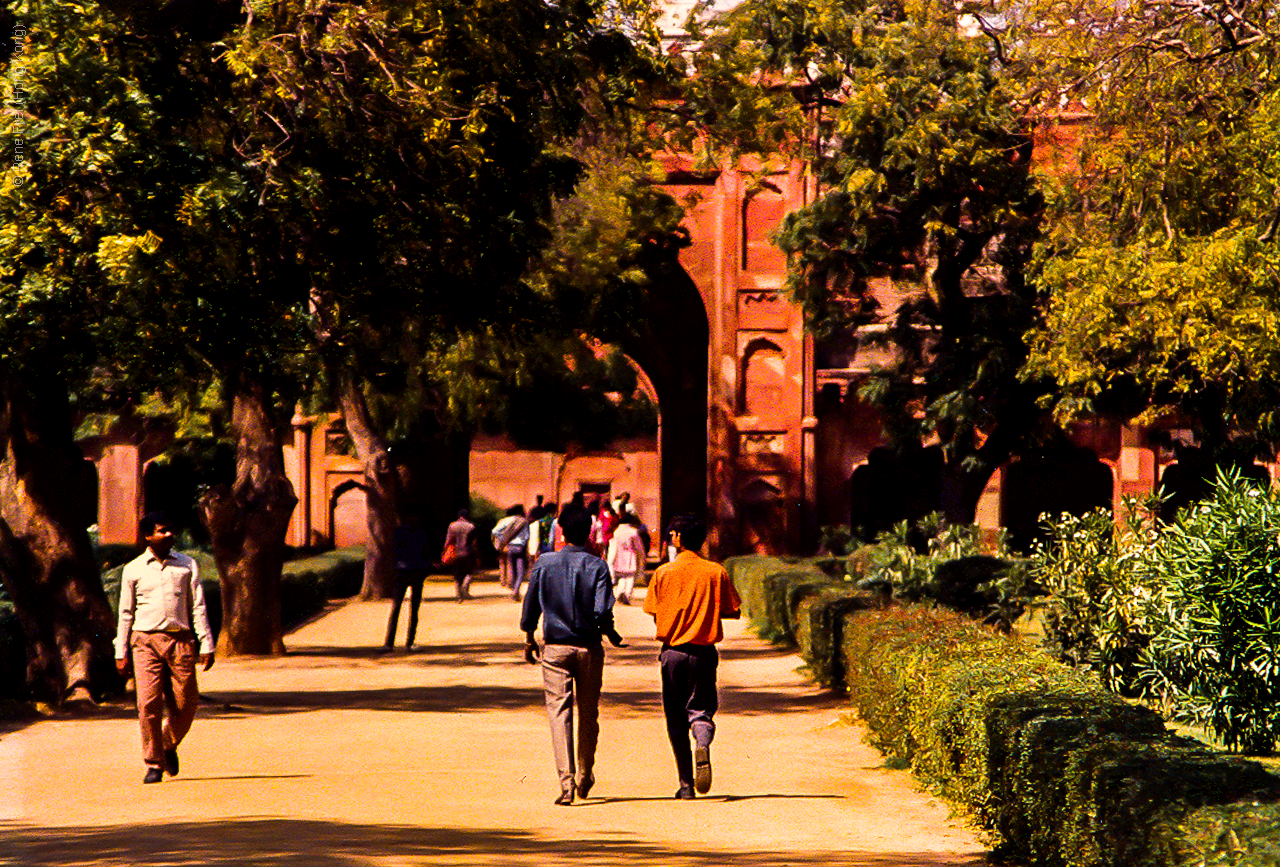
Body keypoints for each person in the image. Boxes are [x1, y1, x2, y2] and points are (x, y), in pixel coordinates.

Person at [520, 505, 626, 806]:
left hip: (555, 647)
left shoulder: (544, 563)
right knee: (588, 713)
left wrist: (529, 637)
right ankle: (585, 773)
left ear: (562, 531)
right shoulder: (597, 566)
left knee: (559, 713)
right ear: (589, 532)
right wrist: (611, 632)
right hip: (589, 648)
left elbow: (531, 606)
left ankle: (566, 784)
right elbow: (602, 610)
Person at [642, 513, 741, 799]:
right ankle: (703, 742)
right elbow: (733, 609)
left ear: (678, 539)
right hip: (703, 653)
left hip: (672, 653)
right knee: (701, 709)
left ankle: (686, 785)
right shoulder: (715, 571)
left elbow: (654, 611)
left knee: (674, 717)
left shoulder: (664, 573)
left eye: (673, 534)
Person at [114, 512, 215, 784]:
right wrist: (120, 651)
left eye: (171, 530)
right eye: (162, 531)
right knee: (148, 704)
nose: (169, 535)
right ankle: (154, 763)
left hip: (180, 640)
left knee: (187, 702)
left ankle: (167, 744)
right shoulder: (133, 569)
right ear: (148, 536)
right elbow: (125, 613)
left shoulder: (186, 565)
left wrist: (206, 643)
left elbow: (198, 606)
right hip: (145, 641)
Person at [384, 510, 431, 650]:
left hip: (402, 571)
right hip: (415, 571)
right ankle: (409, 643)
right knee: (413, 609)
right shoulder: (420, 534)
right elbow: (426, 553)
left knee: (396, 607)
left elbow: (393, 551)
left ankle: (389, 643)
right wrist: (426, 567)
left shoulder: (398, 533)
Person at [606, 511, 646, 605]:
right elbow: (638, 546)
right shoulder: (633, 532)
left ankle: (619, 592)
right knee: (630, 577)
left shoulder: (617, 532)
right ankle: (627, 595)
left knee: (622, 577)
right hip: (630, 556)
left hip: (620, 556)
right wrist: (642, 555)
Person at [492, 504, 531, 601]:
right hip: (520, 548)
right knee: (521, 572)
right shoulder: (524, 521)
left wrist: (504, 539)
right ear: (521, 511)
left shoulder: (507, 520)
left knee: (512, 570)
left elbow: (495, 531)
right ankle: (516, 591)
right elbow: (527, 536)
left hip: (510, 547)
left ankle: (513, 588)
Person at [443, 509, 477, 601]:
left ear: (459, 516)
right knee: (469, 572)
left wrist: (445, 550)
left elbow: (449, 540)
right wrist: (477, 553)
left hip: (456, 552)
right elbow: (474, 542)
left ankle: (458, 595)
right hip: (468, 552)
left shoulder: (452, 526)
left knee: (457, 574)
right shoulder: (471, 526)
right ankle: (465, 587)